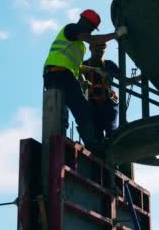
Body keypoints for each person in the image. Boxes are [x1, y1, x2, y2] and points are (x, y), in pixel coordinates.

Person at [43, 9, 127, 150]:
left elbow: (76, 66)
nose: (92, 32)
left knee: (63, 113)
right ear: (86, 23)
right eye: (92, 29)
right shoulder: (72, 29)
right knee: (84, 110)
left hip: (58, 75)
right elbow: (94, 40)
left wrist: (88, 75)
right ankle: (93, 145)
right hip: (60, 74)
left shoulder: (79, 45)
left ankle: (66, 139)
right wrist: (116, 34)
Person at [83, 43, 141, 141]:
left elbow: (124, 82)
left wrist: (140, 77)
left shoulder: (109, 65)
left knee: (111, 132)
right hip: (92, 104)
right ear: (91, 49)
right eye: (97, 51)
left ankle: (111, 149)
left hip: (109, 103)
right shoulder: (84, 66)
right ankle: (100, 152)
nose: (99, 53)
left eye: (102, 51)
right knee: (96, 134)